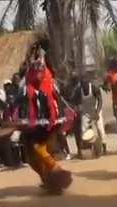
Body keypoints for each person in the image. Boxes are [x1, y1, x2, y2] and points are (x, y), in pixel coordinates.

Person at [17, 43, 72, 194]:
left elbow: (57, 101)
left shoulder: (49, 82)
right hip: (32, 124)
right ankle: (50, 180)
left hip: (47, 124)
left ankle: (57, 173)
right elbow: (20, 102)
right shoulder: (25, 83)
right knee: (32, 157)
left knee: (39, 150)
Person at [70, 75, 107, 157]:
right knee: (84, 131)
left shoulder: (94, 88)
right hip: (85, 112)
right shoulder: (79, 90)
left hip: (95, 110)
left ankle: (104, 147)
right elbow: (72, 101)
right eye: (83, 85)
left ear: (88, 83)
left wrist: (97, 113)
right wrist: (76, 108)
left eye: (85, 84)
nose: (84, 86)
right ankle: (88, 148)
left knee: (100, 129)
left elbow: (100, 101)